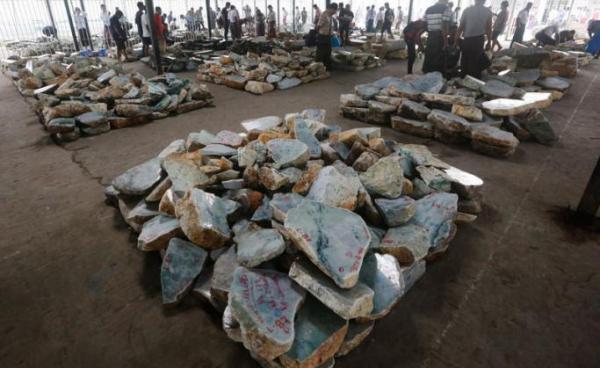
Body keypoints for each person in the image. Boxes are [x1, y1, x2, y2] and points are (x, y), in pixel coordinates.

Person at [455, 0, 492, 79]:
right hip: (479, 40)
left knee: (465, 60)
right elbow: (489, 28)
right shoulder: (488, 11)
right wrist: (489, 42)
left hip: (467, 40)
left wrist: (456, 40)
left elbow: (461, 26)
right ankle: (473, 80)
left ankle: (463, 78)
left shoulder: (467, 10)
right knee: (475, 62)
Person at [422, 0, 452, 74]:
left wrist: (430, 31)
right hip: (440, 37)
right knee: (439, 60)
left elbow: (424, 24)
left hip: (430, 36)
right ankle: (437, 78)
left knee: (429, 57)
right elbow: (444, 26)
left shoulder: (428, 9)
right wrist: (445, 43)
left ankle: (427, 76)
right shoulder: (446, 9)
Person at [316, 2, 339, 70]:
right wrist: (318, 34)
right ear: (332, 9)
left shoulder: (330, 16)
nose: (335, 12)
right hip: (322, 36)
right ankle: (318, 67)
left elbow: (330, 26)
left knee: (328, 52)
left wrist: (333, 33)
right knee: (321, 53)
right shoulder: (324, 14)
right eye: (335, 11)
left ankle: (327, 67)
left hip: (328, 36)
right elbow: (318, 26)